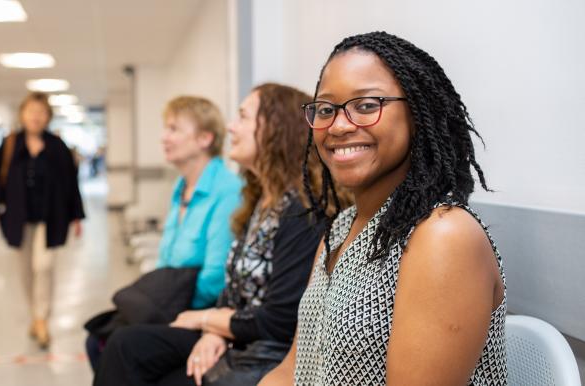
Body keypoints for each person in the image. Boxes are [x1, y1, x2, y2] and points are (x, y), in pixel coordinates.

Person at [260, 31, 507, 385]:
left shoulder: (442, 235)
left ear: (418, 113)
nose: (339, 125)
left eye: (366, 105)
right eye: (326, 109)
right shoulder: (342, 228)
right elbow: (290, 373)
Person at [94, 83, 349, 386]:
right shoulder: (260, 201)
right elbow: (233, 288)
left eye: (242, 117)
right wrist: (213, 332)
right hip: (238, 332)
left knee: (132, 351)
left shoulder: (301, 210)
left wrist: (205, 320)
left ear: (276, 130)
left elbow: (279, 321)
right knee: (126, 343)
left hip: (266, 348)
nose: (231, 127)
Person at [85, 96, 242, 368]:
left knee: (117, 344)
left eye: (174, 129)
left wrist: (165, 313)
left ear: (205, 138)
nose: (163, 137)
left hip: (201, 310)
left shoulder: (228, 190)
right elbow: (166, 259)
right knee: (97, 336)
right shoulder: (182, 187)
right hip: (172, 299)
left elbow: (215, 277)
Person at [0, 92, 85, 349]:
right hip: (18, 218)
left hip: (51, 218)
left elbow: (71, 183)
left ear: (48, 116)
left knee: (44, 267)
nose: (35, 116)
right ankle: (35, 314)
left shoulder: (57, 146)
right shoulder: (10, 144)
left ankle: (42, 319)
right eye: (31, 111)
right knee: (26, 271)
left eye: (41, 112)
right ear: (22, 114)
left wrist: (77, 216)